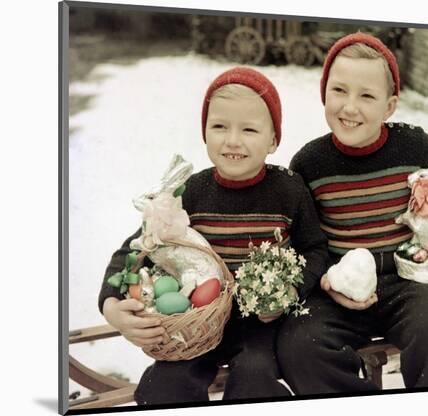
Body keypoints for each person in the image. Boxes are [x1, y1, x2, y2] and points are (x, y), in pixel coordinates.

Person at [97, 67, 328, 405]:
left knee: (255, 377)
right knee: (163, 385)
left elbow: (316, 249)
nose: (232, 140)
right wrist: (111, 305)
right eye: (219, 126)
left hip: (261, 325)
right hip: (195, 324)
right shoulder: (191, 193)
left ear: (273, 140)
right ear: (205, 132)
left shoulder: (289, 189)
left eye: (249, 129)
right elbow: (135, 250)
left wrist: (290, 289)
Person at [276, 32, 428, 395]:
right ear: (324, 93)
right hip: (339, 285)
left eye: (367, 95)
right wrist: (325, 284)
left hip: (408, 281)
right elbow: (306, 243)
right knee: (299, 346)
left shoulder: (414, 146)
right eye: (339, 90)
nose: (350, 107)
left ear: (389, 105)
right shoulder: (309, 163)